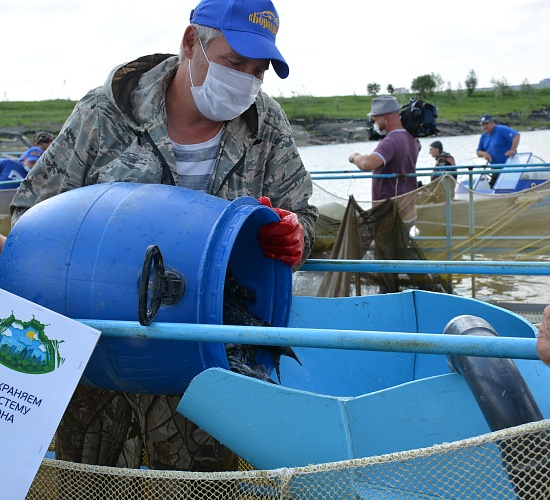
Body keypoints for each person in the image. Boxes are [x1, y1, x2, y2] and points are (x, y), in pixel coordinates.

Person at [9, 0, 318, 472]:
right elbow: (32, 213)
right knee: (94, 479)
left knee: (202, 481)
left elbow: (301, 216)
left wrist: (296, 235)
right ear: (191, 42)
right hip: (98, 353)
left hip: (203, 355)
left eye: (259, 70)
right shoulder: (105, 112)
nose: (246, 81)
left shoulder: (266, 123)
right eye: (234, 63)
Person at [348, 95, 420, 226]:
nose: (374, 124)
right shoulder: (411, 138)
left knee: (385, 246)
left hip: (391, 213)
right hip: (408, 209)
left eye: (375, 120)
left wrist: (354, 157)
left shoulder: (390, 141)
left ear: (385, 118)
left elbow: (366, 163)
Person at [476, 114, 520, 187]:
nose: (485, 127)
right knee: (493, 186)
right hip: (495, 169)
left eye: (486, 124)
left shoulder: (501, 130)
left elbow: (516, 135)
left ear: (492, 123)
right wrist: (484, 154)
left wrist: (512, 150)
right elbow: (478, 151)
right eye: (483, 125)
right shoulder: (483, 136)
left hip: (509, 167)